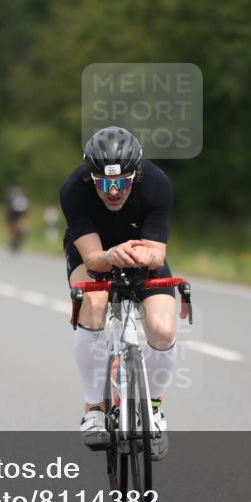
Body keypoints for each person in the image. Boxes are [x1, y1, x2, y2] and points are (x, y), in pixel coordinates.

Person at [60, 126, 176, 461]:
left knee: (163, 329)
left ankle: (153, 408)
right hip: (94, 250)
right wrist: (110, 256)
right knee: (93, 304)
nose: (113, 192)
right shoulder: (73, 189)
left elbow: (157, 253)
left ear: (136, 175)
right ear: (90, 178)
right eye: (105, 184)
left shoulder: (157, 183)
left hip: (140, 249)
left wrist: (140, 255)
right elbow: (93, 258)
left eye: (122, 182)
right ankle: (94, 407)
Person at [6, 185, 29, 253]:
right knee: (13, 230)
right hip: (14, 215)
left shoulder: (23, 200)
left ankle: (17, 242)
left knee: (19, 228)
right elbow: (10, 210)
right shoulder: (13, 199)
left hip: (19, 215)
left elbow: (25, 211)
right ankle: (13, 242)